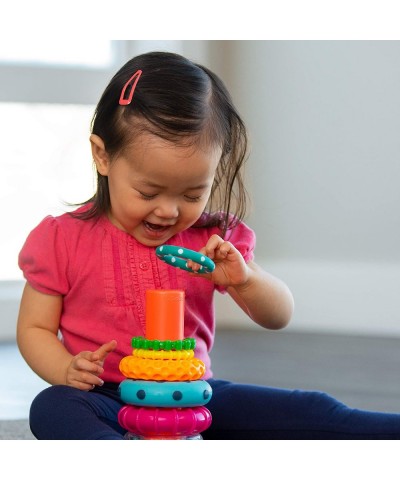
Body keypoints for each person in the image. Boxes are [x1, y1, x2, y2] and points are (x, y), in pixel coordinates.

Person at [17, 51, 400, 440]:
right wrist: (65, 369)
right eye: (148, 191)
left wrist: (245, 279)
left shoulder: (212, 239)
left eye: (192, 193)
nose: (168, 211)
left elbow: (279, 315)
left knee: (311, 409)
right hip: (106, 398)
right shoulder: (62, 239)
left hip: (192, 398)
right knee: (52, 407)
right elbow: (34, 328)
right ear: (103, 155)